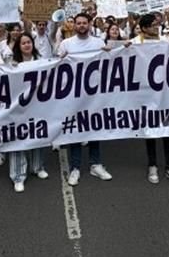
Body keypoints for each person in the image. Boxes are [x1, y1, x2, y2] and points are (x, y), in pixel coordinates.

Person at [57, 13, 113, 187]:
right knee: (75, 129)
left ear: (89, 24)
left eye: (84, 23)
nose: (81, 25)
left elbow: (109, 64)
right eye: (78, 23)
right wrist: (61, 58)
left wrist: (113, 50)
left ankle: (96, 164)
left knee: (94, 128)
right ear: (74, 26)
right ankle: (75, 167)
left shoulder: (98, 43)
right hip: (73, 94)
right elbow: (57, 67)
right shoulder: (66, 44)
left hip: (94, 94)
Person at [130, 14, 169, 186]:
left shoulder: (165, 42)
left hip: (165, 96)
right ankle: (152, 164)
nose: (156, 28)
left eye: (158, 25)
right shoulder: (135, 43)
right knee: (150, 132)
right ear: (144, 28)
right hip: (145, 96)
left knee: (167, 131)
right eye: (153, 25)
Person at [7, 34, 48, 192]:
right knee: (18, 139)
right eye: (23, 43)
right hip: (18, 108)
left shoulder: (41, 61)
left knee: (38, 135)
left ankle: (38, 167)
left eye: (29, 42)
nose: (26, 45)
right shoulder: (12, 64)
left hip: (37, 105)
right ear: (19, 46)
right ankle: (18, 175)